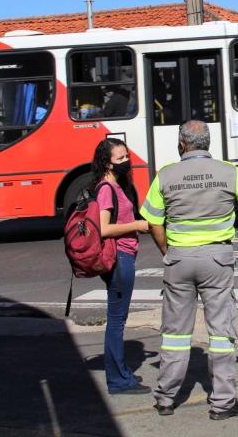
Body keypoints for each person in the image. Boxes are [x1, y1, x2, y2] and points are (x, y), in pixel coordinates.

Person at [141, 120, 238, 419]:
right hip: (217, 260)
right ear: (207, 143)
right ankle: (222, 403)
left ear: (181, 144)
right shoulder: (228, 171)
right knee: (221, 333)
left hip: (179, 258)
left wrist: (168, 251)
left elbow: (153, 222)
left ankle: (165, 398)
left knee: (174, 334)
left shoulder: (166, 175)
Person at [88, 138, 151, 395]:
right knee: (116, 321)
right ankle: (118, 380)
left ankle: (122, 374)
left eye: (126, 156)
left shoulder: (116, 185)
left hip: (123, 257)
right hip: (118, 258)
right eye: (120, 158)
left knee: (118, 319)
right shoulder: (106, 189)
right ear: (107, 162)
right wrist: (137, 225)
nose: (126, 162)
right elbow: (103, 228)